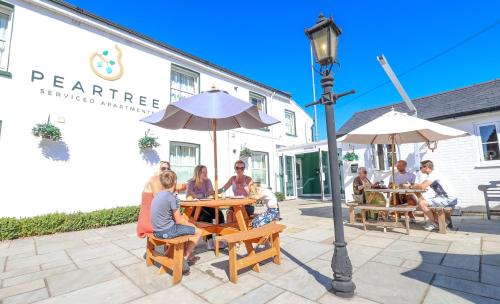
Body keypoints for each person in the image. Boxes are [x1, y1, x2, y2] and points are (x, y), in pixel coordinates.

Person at [151, 170, 202, 273]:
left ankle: (175, 256)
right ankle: (184, 258)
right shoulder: (171, 198)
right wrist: (192, 226)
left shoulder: (157, 195)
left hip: (156, 231)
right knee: (198, 231)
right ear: (175, 182)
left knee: (184, 230)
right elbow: (179, 220)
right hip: (167, 231)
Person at [409, 160, 458, 231]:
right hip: (446, 198)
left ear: (426, 167)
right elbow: (421, 184)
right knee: (425, 202)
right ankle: (440, 221)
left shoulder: (433, 174)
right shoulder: (432, 175)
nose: (420, 169)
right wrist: (412, 184)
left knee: (422, 203)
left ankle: (435, 223)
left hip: (448, 199)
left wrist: (410, 187)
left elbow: (422, 186)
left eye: (420, 167)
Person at [187, 165, 225, 250]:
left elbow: (211, 193)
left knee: (219, 213)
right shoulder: (191, 182)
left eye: (206, 172)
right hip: (194, 208)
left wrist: (201, 195)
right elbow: (190, 195)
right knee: (206, 217)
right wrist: (203, 195)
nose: (205, 174)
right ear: (198, 173)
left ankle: (220, 238)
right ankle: (209, 240)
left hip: (206, 205)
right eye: (203, 172)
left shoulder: (208, 181)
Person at [137, 161, 171, 237]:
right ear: (157, 170)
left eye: (168, 169)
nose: (166, 171)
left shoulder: (161, 183)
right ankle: (181, 248)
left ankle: (170, 249)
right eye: (163, 169)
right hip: (150, 222)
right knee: (184, 228)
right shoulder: (154, 179)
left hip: (153, 221)